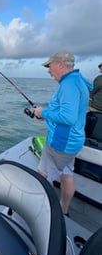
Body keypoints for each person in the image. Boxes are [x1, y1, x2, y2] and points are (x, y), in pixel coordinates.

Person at [34, 51, 92, 215]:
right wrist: (46, 116)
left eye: (49, 66)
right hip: (73, 142)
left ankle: (46, 213)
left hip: (61, 142)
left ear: (60, 64)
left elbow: (68, 117)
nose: (48, 70)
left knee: (42, 177)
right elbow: (70, 112)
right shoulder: (79, 80)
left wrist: (43, 113)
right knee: (67, 174)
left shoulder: (68, 85)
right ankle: (63, 210)